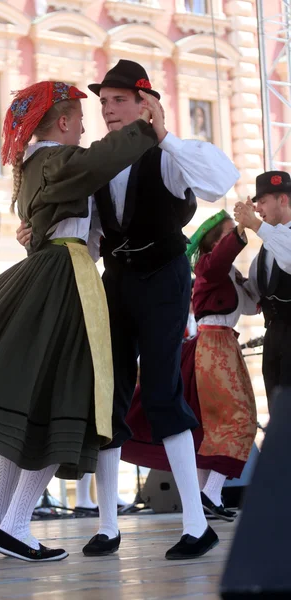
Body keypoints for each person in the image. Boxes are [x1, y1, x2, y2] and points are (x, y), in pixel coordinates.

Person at [0, 80, 165, 562]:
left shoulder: (37, 165)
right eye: (80, 117)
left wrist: (34, 231)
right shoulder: (57, 159)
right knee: (66, 401)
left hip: (49, 274)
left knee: (31, 400)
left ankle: (1, 518)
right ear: (62, 122)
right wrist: (147, 125)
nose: (87, 124)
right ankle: (15, 523)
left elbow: (50, 214)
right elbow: (99, 161)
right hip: (65, 280)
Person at [17, 60, 240, 560]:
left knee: (162, 393)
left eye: (119, 101)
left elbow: (218, 182)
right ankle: (109, 525)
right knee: (108, 399)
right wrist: (38, 235)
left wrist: (164, 134)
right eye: (103, 104)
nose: (108, 111)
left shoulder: (166, 153)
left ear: (144, 103)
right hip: (115, 281)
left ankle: (196, 522)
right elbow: (92, 235)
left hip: (163, 278)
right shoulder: (99, 160)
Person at [123, 210, 258, 521]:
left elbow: (250, 304)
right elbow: (223, 257)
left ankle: (205, 499)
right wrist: (243, 226)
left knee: (208, 426)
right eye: (228, 233)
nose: (234, 237)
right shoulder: (209, 266)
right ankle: (210, 494)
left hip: (220, 345)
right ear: (217, 242)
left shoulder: (223, 273)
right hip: (215, 347)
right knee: (240, 419)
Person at [234, 171, 291, 414]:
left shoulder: (274, 238)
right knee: (278, 418)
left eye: (263, 201)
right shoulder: (265, 249)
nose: (257, 209)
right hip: (274, 340)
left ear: (283, 200)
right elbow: (251, 300)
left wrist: (256, 226)